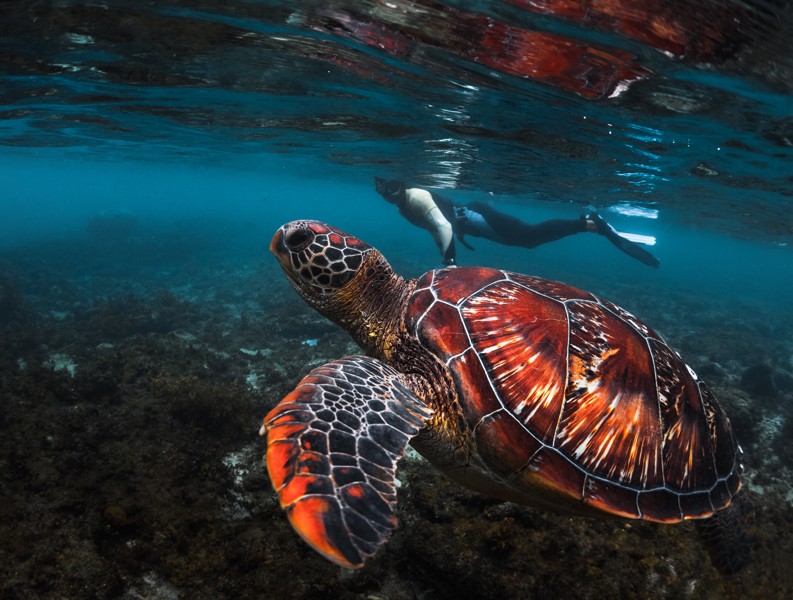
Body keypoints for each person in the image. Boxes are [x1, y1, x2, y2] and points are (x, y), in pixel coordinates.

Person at [374, 177, 660, 268]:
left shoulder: (416, 197)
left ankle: (588, 222)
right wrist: (446, 257)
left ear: (402, 185)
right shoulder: (404, 208)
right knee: (527, 240)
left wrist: (449, 263)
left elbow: (444, 226)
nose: (390, 195)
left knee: (528, 236)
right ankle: (587, 224)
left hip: (476, 216)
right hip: (472, 221)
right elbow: (436, 229)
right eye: (384, 191)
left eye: (393, 188)